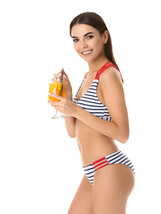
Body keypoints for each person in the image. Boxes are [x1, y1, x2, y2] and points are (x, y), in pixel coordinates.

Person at [48, 12, 135, 214]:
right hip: (92, 170)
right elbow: (73, 131)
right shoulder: (88, 76)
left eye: (89, 36)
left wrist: (76, 109)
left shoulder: (108, 75)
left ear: (104, 37)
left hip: (110, 166)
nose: (82, 45)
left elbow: (123, 133)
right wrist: (68, 97)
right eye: (76, 39)